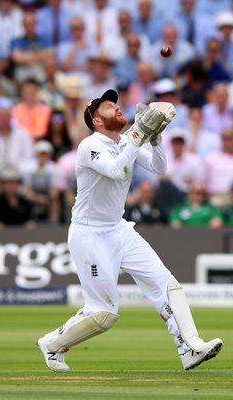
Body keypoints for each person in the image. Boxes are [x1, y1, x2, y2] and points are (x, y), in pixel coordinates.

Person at [37, 88, 223, 372]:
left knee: (166, 283)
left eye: (116, 103)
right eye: (108, 107)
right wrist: (138, 135)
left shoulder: (124, 140)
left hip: (119, 229)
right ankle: (51, 344)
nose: (117, 108)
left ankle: (190, 347)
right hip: (90, 234)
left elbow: (159, 168)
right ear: (96, 121)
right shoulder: (89, 146)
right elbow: (115, 170)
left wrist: (156, 139)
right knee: (104, 315)